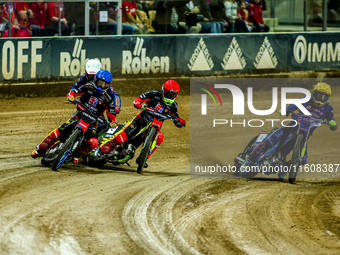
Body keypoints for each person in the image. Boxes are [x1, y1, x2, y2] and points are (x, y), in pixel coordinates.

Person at [240, 82, 337, 179]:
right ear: (314, 94)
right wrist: (286, 110)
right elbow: (294, 105)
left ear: (327, 98)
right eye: (319, 95)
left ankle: (284, 170)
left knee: (303, 160)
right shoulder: (305, 99)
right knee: (268, 141)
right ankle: (247, 162)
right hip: (291, 128)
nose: (321, 99)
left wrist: (332, 124)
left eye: (324, 97)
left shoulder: (328, 108)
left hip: (305, 135)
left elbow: (331, 120)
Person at [31, 70, 118, 165]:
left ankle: (76, 155)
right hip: (80, 115)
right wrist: (71, 96)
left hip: (93, 122)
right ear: (96, 80)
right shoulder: (88, 86)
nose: (102, 86)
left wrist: (113, 121)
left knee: (93, 143)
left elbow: (111, 111)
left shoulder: (108, 97)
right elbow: (76, 91)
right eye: (100, 83)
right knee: (58, 133)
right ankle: (40, 149)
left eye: (105, 84)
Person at [96, 79, 186, 167]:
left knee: (160, 138)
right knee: (121, 137)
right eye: (169, 94)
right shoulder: (154, 94)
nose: (170, 97)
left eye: (173, 95)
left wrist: (180, 122)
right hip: (140, 120)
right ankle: (101, 150)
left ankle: (144, 158)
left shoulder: (173, 106)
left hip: (153, 126)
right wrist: (138, 103)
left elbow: (177, 119)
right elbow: (138, 99)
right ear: (163, 91)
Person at [71, 59, 121, 131]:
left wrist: (116, 107)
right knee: (71, 123)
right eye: (90, 75)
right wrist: (72, 96)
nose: (91, 77)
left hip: (97, 111)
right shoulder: (83, 79)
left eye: (93, 75)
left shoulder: (104, 84)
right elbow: (73, 89)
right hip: (83, 107)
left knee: (102, 128)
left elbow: (115, 95)